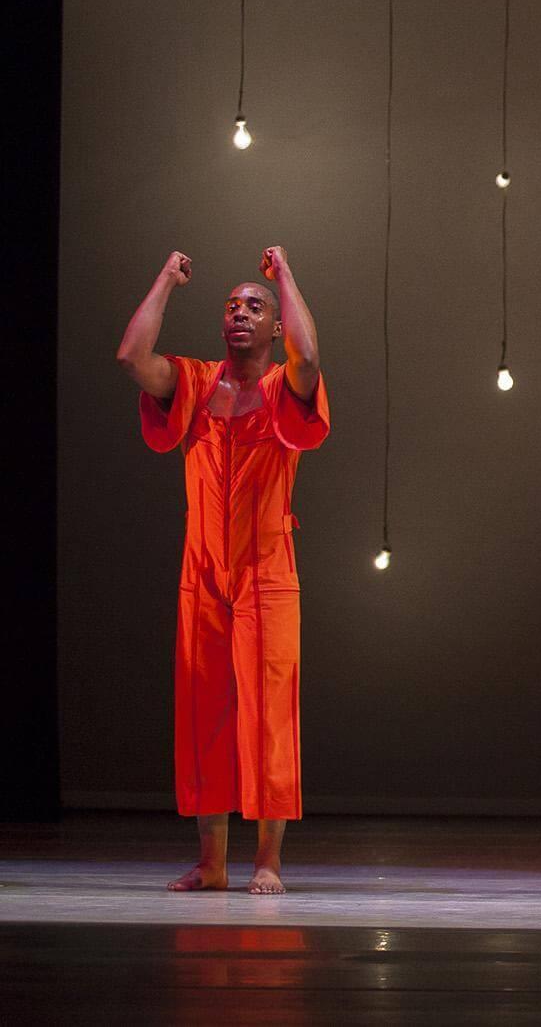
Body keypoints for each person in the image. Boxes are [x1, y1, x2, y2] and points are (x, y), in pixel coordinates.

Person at [118, 246, 327, 895]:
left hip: (268, 569)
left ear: (273, 328)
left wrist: (285, 275)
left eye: (255, 307)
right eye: (233, 306)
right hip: (202, 571)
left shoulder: (282, 386)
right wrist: (166, 278)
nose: (241, 312)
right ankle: (212, 863)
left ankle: (267, 859)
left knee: (268, 713)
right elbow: (130, 356)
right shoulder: (196, 383)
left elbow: (310, 357)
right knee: (203, 712)